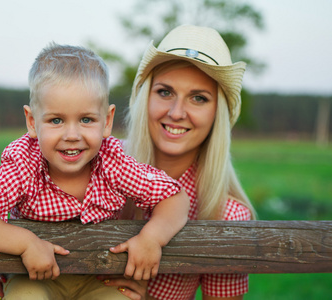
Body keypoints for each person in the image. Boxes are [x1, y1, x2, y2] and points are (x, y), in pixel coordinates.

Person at [0, 42, 190, 300]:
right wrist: (27, 243)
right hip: (36, 275)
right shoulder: (24, 166)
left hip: (99, 276)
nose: (72, 135)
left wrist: (152, 238)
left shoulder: (113, 163)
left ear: (106, 122)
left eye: (86, 120)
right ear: (32, 122)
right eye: (56, 120)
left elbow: (174, 197)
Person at [97, 25, 257, 300]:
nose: (176, 112)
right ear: (145, 97)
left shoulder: (226, 216)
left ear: (217, 113)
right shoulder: (99, 164)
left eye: (199, 98)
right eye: (165, 92)